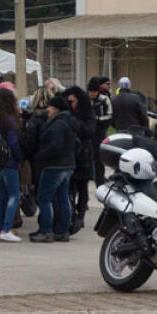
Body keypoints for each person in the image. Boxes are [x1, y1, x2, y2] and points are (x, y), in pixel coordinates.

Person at [31, 94, 75, 243]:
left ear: (56, 109)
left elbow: (55, 146)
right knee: (63, 198)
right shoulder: (66, 121)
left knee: (44, 198)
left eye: (49, 107)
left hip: (54, 165)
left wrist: (41, 155)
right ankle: (62, 231)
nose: (47, 109)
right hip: (67, 165)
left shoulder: (57, 124)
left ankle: (46, 231)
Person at [0, 87, 23, 242]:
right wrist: (20, 158)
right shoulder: (10, 119)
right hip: (9, 162)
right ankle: (6, 229)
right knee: (13, 195)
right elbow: (13, 143)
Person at [64, 85, 96, 234]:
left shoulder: (87, 113)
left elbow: (89, 130)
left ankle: (81, 214)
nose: (70, 104)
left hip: (83, 154)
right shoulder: (66, 113)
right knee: (70, 187)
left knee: (82, 187)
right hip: (70, 154)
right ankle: (72, 214)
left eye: (72, 101)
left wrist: (73, 122)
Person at [88, 77, 112, 187]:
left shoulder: (104, 100)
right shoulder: (86, 100)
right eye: (90, 92)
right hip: (88, 134)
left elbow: (110, 116)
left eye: (94, 92)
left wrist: (98, 119)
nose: (92, 94)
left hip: (100, 132)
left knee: (99, 159)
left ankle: (100, 181)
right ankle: (90, 177)